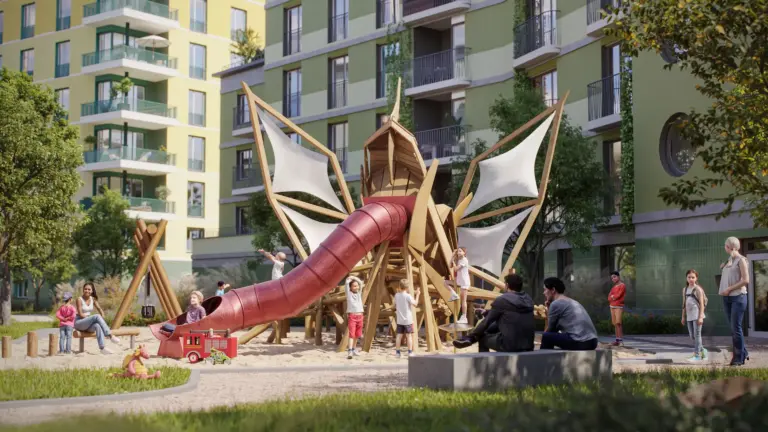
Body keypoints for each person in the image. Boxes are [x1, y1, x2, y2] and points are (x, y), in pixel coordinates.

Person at [452, 273, 535, 353]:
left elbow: (487, 322)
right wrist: (487, 312)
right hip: (528, 345)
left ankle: (472, 343)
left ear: (507, 285)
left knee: (482, 337)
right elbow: (510, 313)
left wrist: (473, 334)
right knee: (497, 324)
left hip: (510, 345)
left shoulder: (503, 300)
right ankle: (470, 338)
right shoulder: (529, 300)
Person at [540, 277, 599, 351]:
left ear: (553, 290)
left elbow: (550, 329)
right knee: (550, 336)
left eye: (545, 289)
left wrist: (549, 309)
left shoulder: (556, 304)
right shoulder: (571, 301)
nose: (544, 293)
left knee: (546, 336)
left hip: (580, 341)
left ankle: (543, 361)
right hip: (592, 341)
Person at [719, 236, 750, 366]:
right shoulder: (729, 260)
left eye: (725, 245)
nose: (724, 247)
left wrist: (729, 289)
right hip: (727, 297)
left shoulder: (741, 260)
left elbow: (745, 280)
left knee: (736, 328)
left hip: (738, 297)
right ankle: (743, 352)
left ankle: (738, 358)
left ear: (729, 246)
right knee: (733, 328)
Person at [75, 282, 121, 355]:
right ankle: (110, 335)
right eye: (85, 289)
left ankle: (102, 348)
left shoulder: (92, 299)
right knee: (96, 316)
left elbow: (99, 308)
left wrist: (102, 315)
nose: (87, 291)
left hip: (87, 324)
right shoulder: (79, 299)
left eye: (89, 289)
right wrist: (92, 318)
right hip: (79, 322)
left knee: (97, 325)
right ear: (83, 290)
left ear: (92, 291)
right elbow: (80, 314)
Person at [681, 269, 708, 362]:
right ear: (686, 278)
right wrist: (683, 317)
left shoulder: (698, 289)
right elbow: (684, 304)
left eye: (693, 277)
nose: (691, 279)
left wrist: (700, 317)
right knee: (692, 336)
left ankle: (697, 355)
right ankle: (703, 350)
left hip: (697, 315)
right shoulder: (685, 290)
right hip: (689, 316)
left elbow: (702, 304)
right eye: (689, 277)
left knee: (697, 335)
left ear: (696, 278)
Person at [393, 279, 420, 358]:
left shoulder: (397, 295)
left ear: (399, 286)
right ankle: (410, 352)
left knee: (399, 336)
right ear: (407, 287)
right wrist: (418, 294)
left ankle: (397, 353)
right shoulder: (408, 296)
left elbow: (394, 304)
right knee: (409, 336)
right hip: (408, 320)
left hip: (400, 319)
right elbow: (415, 304)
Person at [443, 248, 467, 321]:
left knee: (463, 300)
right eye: (458, 252)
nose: (458, 253)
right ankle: (453, 293)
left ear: (464, 253)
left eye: (460, 251)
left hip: (463, 282)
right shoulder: (457, 260)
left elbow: (456, 269)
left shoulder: (464, 260)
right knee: (445, 282)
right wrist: (452, 256)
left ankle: (464, 317)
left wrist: (453, 262)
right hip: (457, 281)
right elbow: (450, 266)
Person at [344, 275, 365, 359]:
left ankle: (354, 349)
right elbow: (346, 284)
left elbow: (360, 283)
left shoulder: (359, 293)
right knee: (351, 334)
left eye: (357, 286)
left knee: (357, 335)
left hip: (360, 316)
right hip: (352, 316)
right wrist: (349, 279)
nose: (356, 287)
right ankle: (349, 351)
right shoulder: (349, 294)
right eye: (354, 286)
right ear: (351, 288)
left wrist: (354, 277)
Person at [607, 271, 626, 346]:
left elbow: (619, 295)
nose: (613, 279)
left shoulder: (622, 285)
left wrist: (613, 297)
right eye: (612, 278)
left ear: (618, 276)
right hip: (612, 306)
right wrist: (612, 297)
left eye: (614, 277)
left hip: (618, 306)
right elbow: (609, 297)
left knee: (618, 323)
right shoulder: (613, 287)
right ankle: (617, 340)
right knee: (615, 324)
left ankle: (621, 341)